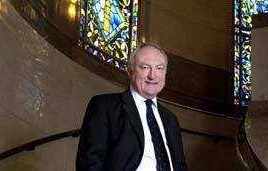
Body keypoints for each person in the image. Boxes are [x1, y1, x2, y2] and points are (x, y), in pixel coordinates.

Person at [76, 42, 187, 171]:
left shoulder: (171, 119)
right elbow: (89, 163)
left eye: (159, 68)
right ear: (130, 71)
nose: (153, 75)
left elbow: (180, 166)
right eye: (145, 67)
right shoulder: (104, 107)